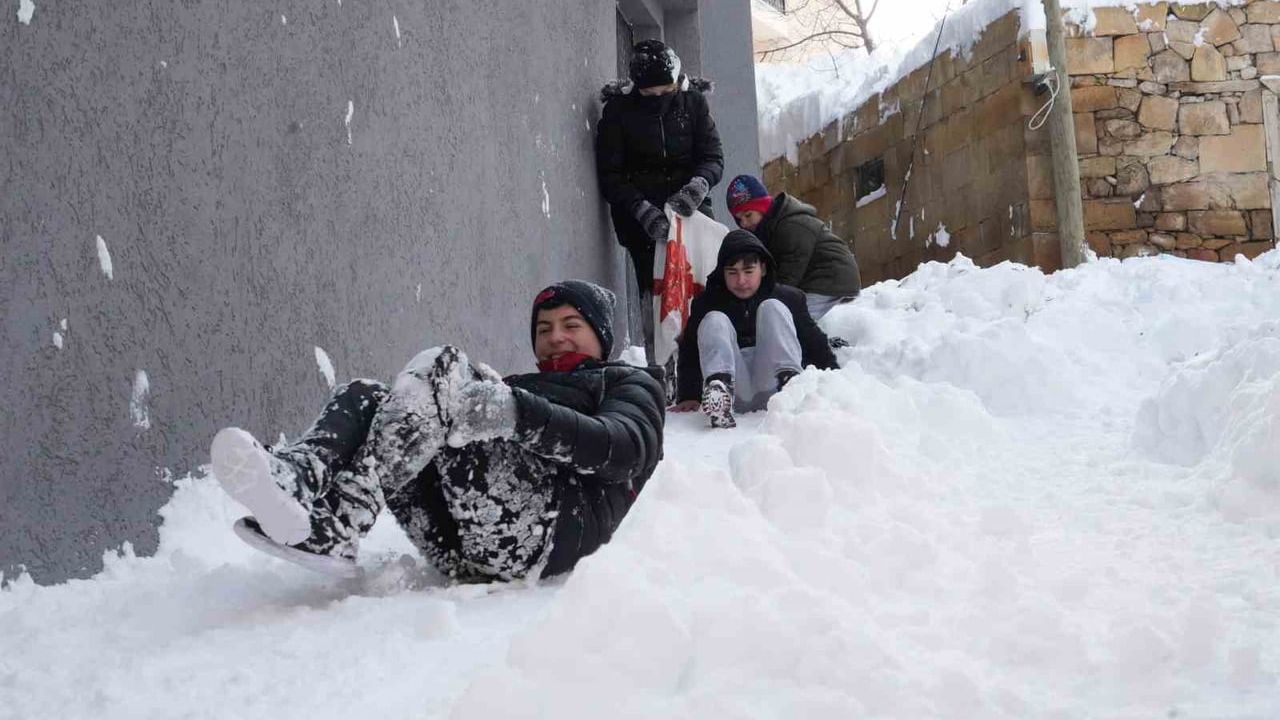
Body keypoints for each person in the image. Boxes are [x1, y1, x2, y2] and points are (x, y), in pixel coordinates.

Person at [210, 280, 665, 582]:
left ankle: (342, 520)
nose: (555, 337)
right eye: (543, 328)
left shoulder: (626, 382)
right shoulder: (520, 385)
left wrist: (514, 411)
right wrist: (499, 401)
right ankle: (297, 481)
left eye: (571, 325)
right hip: (456, 542)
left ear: (601, 336)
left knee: (443, 364)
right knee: (368, 395)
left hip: (542, 539)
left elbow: (625, 449)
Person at [596, 39, 724, 362]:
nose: (657, 99)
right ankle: (661, 367)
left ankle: (704, 363)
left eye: (664, 91)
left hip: (692, 216)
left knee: (702, 290)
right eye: (649, 93)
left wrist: (698, 186)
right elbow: (611, 175)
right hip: (643, 223)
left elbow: (713, 157)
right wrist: (642, 211)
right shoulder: (618, 113)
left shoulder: (693, 104)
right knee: (655, 300)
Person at [672, 230, 838, 429]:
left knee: (772, 307)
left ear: (763, 269)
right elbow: (690, 349)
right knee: (714, 319)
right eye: (732, 272)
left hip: (776, 387)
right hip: (735, 388)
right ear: (722, 273)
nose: (741, 280)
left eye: (748, 271)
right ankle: (718, 391)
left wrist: (836, 380)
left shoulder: (789, 298)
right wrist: (688, 395)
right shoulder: (707, 302)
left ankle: (789, 381)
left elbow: (813, 341)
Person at [725, 174, 862, 322]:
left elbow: (789, 274)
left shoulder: (790, 225)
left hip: (830, 276)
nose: (744, 223)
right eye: (739, 219)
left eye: (748, 215)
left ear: (762, 208)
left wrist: (765, 301)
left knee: (789, 320)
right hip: (815, 278)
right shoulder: (769, 228)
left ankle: (813, 344)